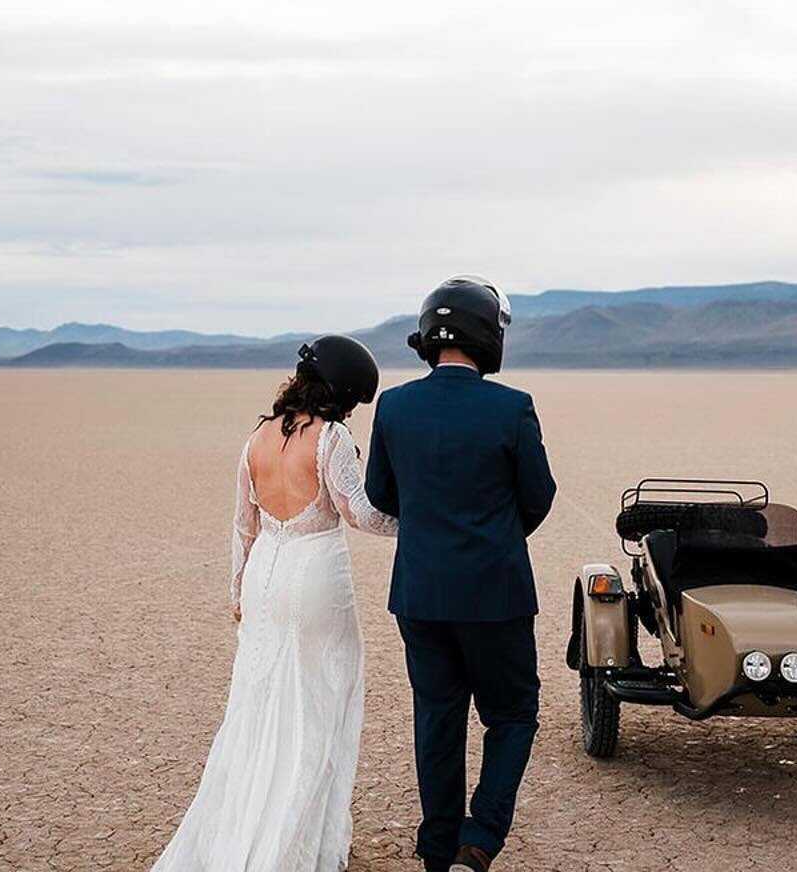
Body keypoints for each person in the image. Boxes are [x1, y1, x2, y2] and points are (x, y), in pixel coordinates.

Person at [148, 334, 397, 872]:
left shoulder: (257, 437)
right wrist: (415, 524)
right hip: (315, 577)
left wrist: (238, 590)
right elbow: (359, 512)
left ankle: (241, 827)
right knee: (319, 702)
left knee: (257, 707)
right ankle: (295, 843)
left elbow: (244, 524)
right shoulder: (330, 439)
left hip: (265, 575)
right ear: (341, 394)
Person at [364, 276, 557, 872]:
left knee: (438, 717)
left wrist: (432, 528)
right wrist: (494, 537)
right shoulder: (511, 406)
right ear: (487, 334)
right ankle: (480, 836)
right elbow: (538, 496)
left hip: (420, 593)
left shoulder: (393, 405)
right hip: (496, 594)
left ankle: (436, 847)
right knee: (513, 713)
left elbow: (379, 494)